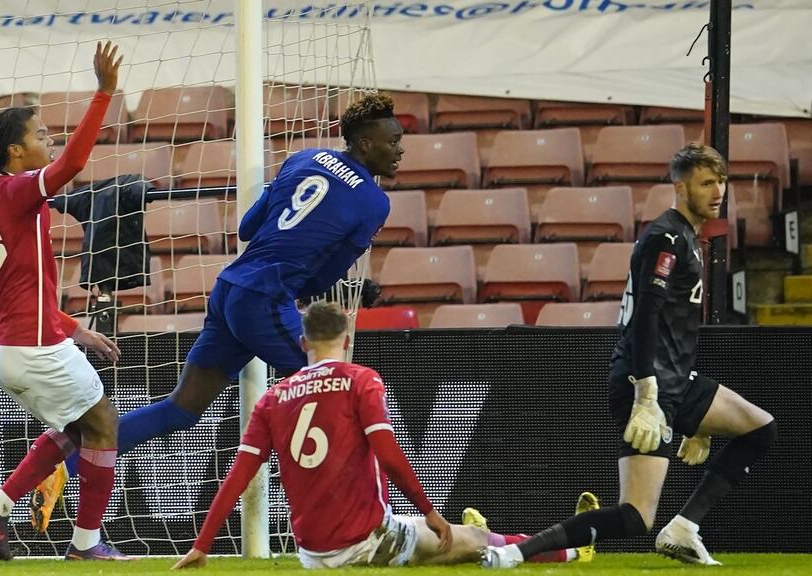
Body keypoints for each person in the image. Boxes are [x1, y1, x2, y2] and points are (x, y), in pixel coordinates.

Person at [29, 94, 404, 531]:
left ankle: (62, 469)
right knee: (340, 393)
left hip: (230, 289)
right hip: (265, 298)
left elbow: (247, 227)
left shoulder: (304, 158)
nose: (400, 149)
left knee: (182, 408)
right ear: (363, 144)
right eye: (392, 141)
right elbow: (320, 282)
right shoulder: (375, 204)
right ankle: (365, 521)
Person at [480, 143, 777, 569]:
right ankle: (514, 551)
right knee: (635, 516)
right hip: (646, 381)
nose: (718, 191)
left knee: (760, 429)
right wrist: (647, 393)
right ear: (680, 186)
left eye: (721, 182)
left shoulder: (689, 237)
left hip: (676, 380)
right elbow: (645, 318)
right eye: (707, 182)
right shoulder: (667, 236)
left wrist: (698, 422)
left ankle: (683, 529)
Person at [171, 301, 585, 569]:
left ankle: (477, 530)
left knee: (451, 532)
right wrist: (428, 509)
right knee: (476, 545)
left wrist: (203, 544)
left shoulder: (274, 397)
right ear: (347, 340)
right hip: (366, 541)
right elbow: (388, 454)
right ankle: (569, 548)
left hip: (313, 554)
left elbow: (239, 476)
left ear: (303, 343)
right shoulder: (359, 379)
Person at [0, 41, 134, 561]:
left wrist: (75, 329)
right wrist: (104, 93)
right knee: (103, 422)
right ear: (16, 151)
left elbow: (19, 288)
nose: (49, 139)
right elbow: (74, 162)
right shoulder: (19, 191)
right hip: (29, 344)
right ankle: (86, 544)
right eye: (39, 134)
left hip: (7, 343)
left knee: (75, 426)